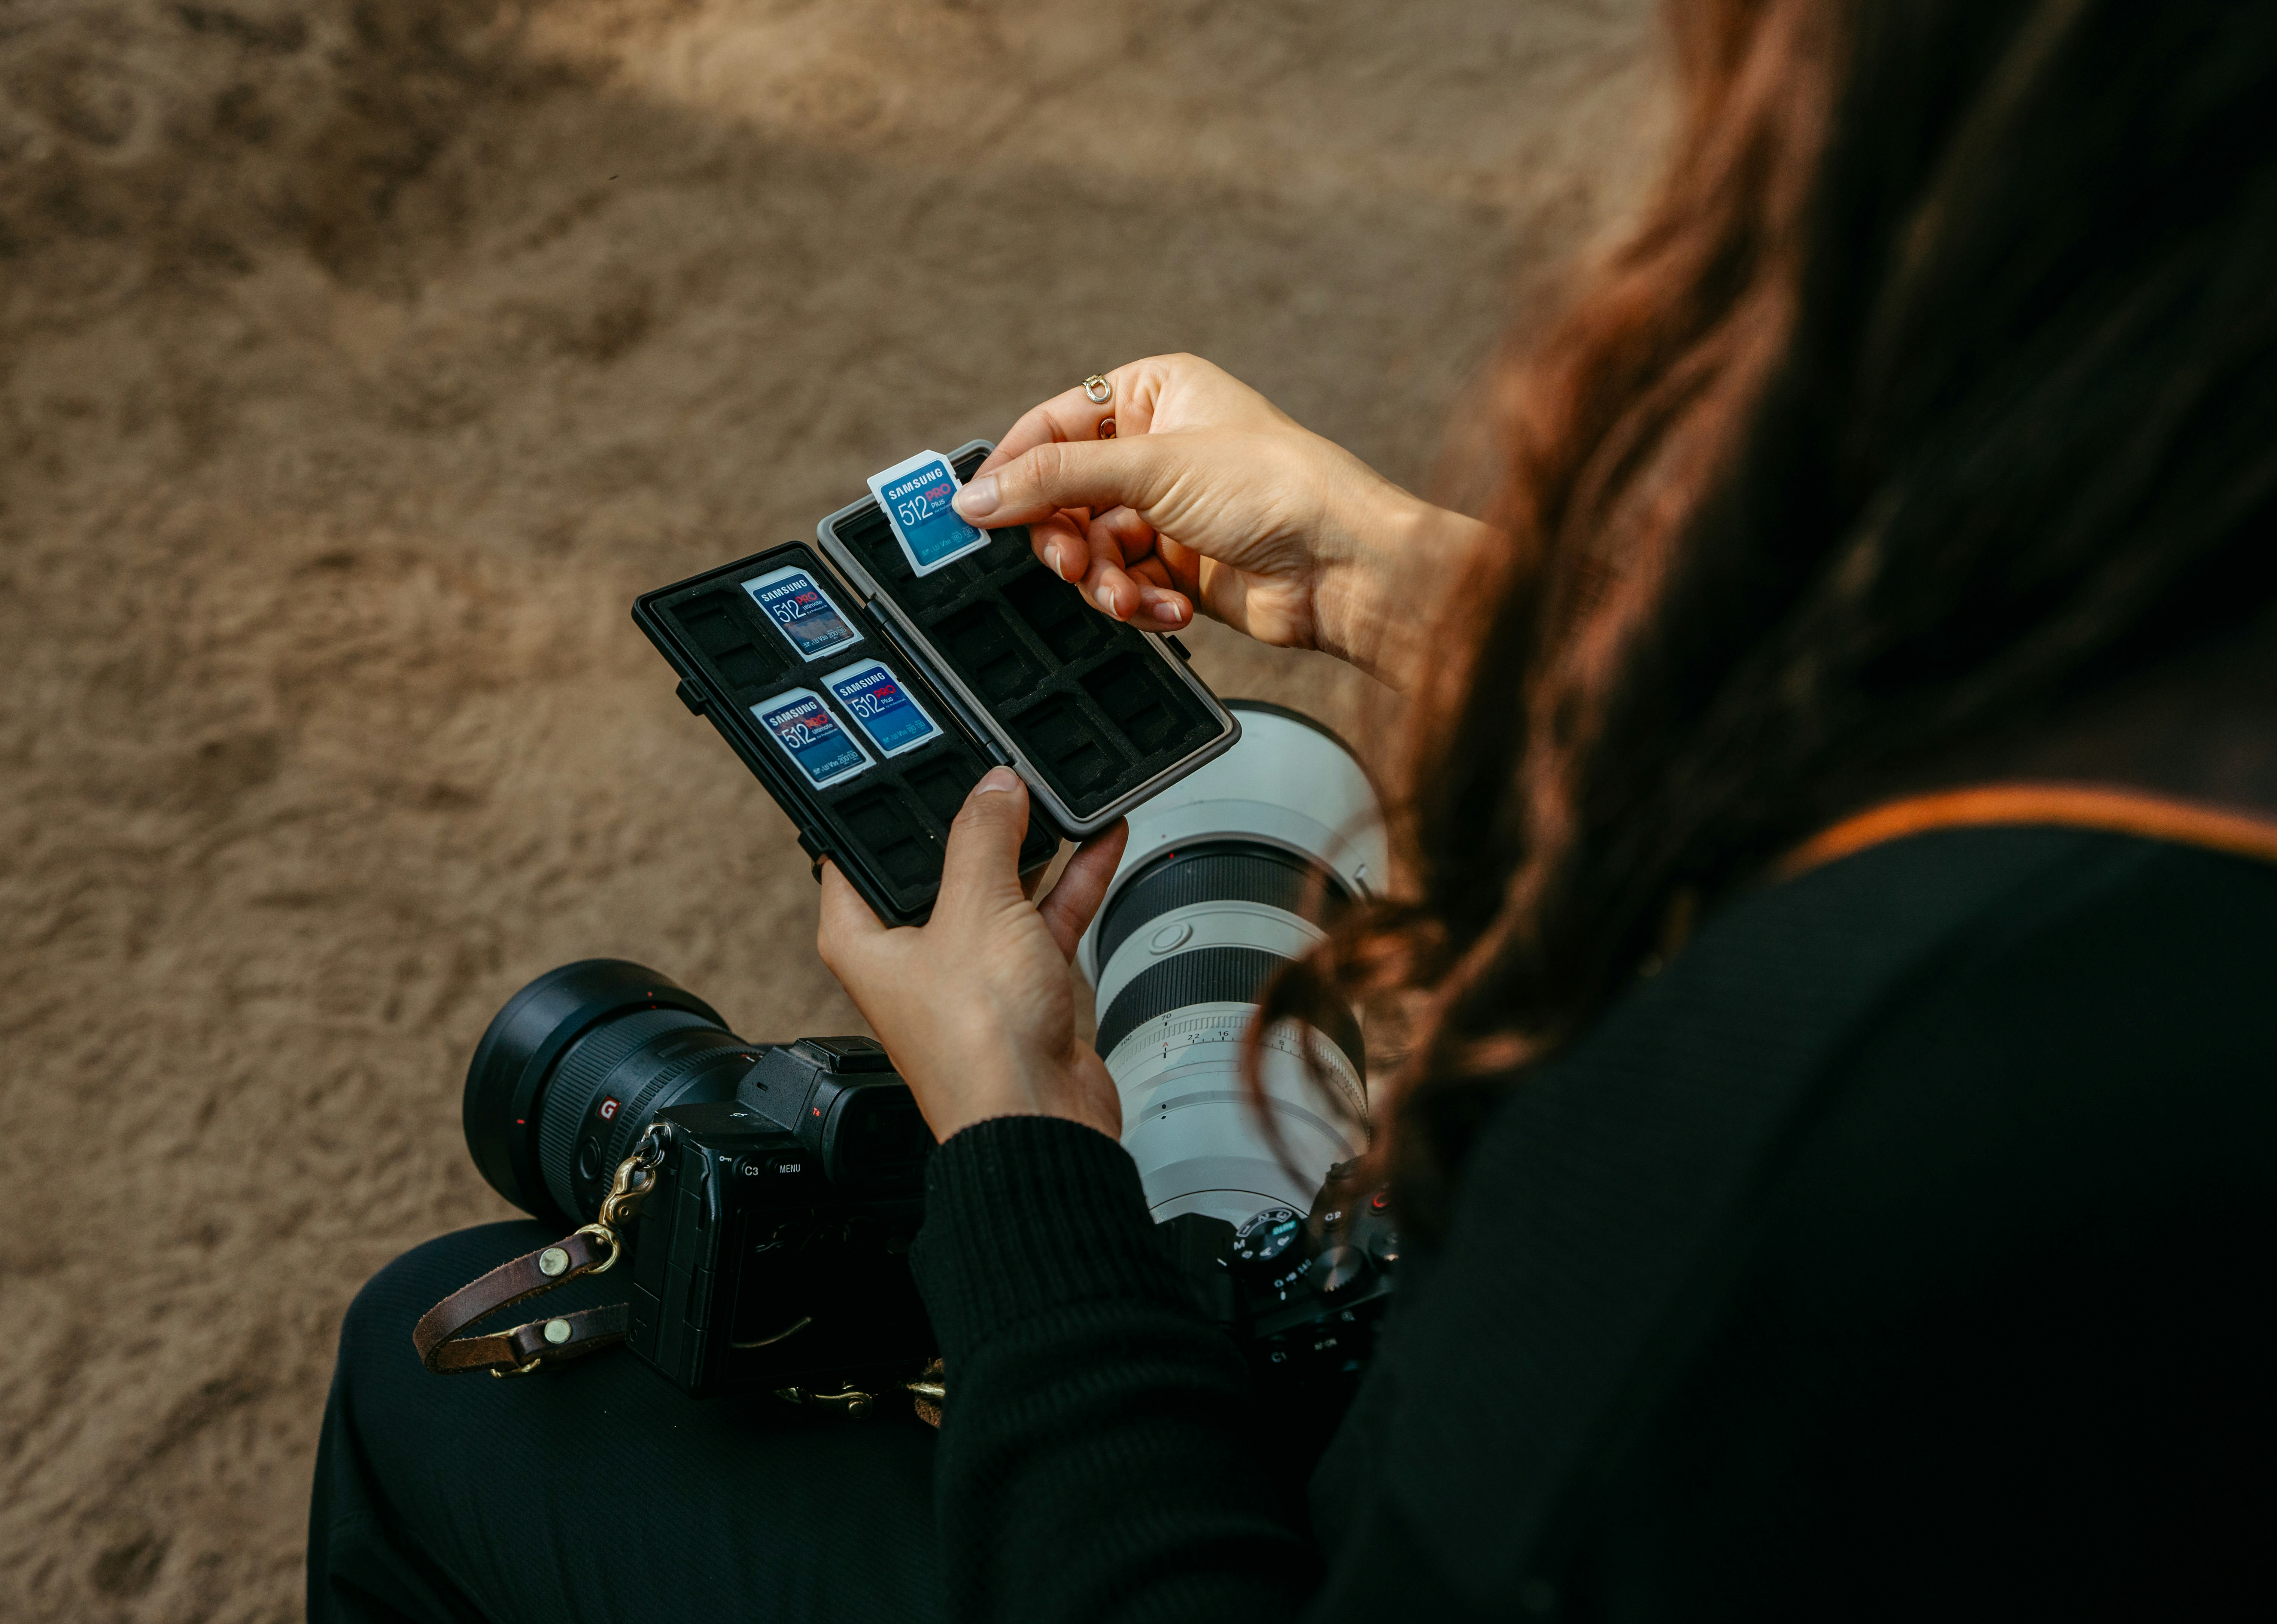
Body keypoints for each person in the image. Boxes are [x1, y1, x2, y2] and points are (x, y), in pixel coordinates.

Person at [309, 2, 2277, 1618]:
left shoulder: (1795, 1112)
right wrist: (1389, 577)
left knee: (435, 1378)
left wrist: (1017, 1133)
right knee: (1246, 776)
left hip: (1303, 1513)